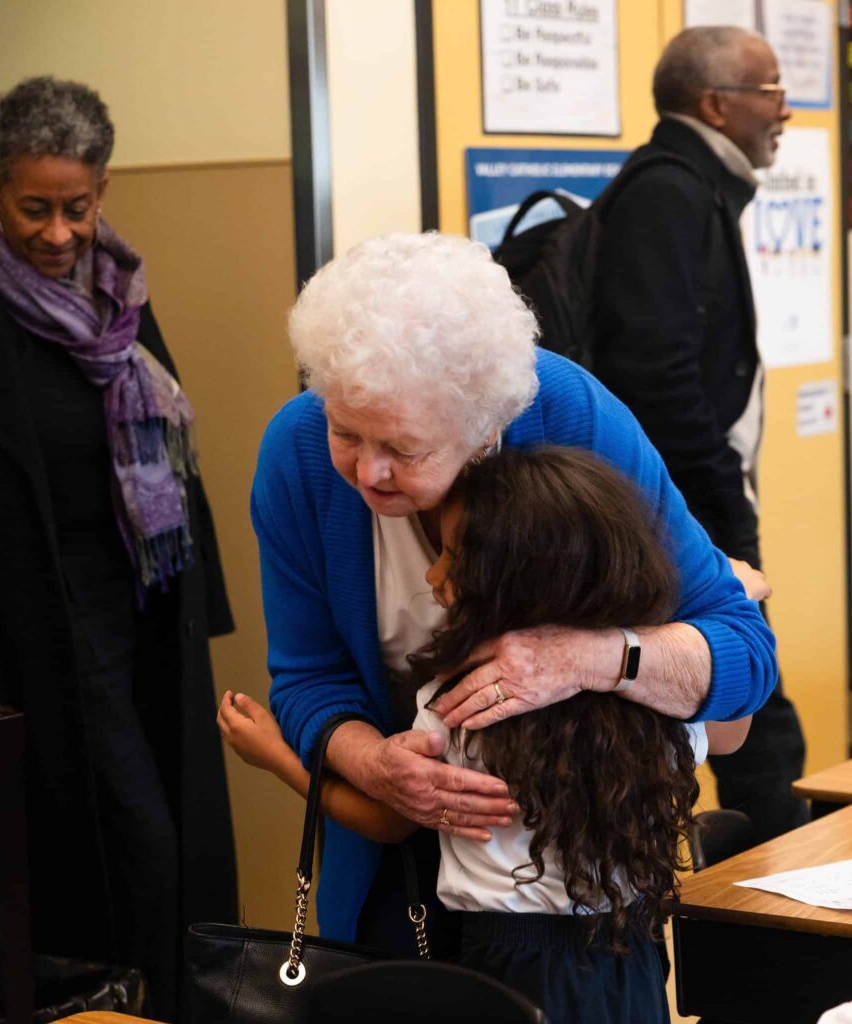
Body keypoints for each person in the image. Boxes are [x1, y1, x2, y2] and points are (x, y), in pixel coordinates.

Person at [250, 231, 776, 954]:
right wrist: (372, 762)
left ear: (484, 429)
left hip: (577, 900)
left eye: (402, 449)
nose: (366, 473)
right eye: (347, 431)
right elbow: (308, 680)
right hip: (398, 888)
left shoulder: (572, 419)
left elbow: (743, 656)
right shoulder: (299, 452)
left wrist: (591, 659)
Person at [225, 445, 753, 1021]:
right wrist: (733, 597)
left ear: (510, 588)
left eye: (452, 558)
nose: (432, 575)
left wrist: (278, 756)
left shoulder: (457, 707)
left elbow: (389, 819)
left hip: (505, 968)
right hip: (630, 961)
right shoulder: (655, 716)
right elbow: (732, 730)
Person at [0, 77, 236, 1018]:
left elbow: (175, 460)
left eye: (77, 208)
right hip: (42, 615)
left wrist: (201, 597)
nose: (58, 234)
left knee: (172, 816)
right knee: (130, 830)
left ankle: (173, 997)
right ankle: (131, 1003)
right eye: (34, 209)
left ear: (104, 192)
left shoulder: (115, 289)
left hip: (145, 595)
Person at [592, 26, 807, 843]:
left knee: (753, 717)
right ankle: (781, 938)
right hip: (678, 503)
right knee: (756, 716)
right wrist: (722, 494)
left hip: (685, 496)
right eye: (772, 91)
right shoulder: (669, 192)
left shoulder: (689, 184)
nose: (782, 111)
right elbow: (656, 375)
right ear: (716, 103)